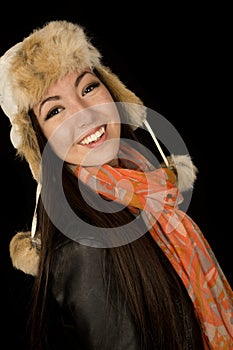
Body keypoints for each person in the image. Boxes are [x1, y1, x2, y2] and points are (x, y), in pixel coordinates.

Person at [0, 20, 232, 350]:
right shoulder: (85, 250)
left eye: (88, 88)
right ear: (42, 142)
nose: (84, 114)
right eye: (55, 110)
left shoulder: (149, 196)